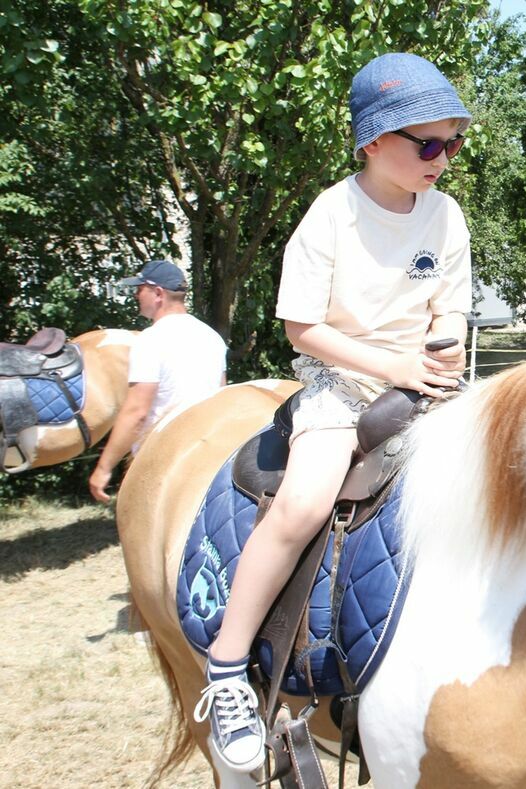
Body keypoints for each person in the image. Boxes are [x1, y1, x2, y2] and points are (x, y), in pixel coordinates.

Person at [192, 53, 473, 773]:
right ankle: (228, 667)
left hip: (424, 388)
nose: (443, 158)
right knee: (304, 501)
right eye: (428, 144)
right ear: (373, 142)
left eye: (454, 142)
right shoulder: (333, 213)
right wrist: (392, 367)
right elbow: (301, 327)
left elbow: (451, 309)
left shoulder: (446, 216)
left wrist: (442, 357)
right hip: (339, 387)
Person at [88, 259, 226, 502]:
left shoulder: (150, 340)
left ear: (158, 293)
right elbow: (221, 396)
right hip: (205, 457)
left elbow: (137, 412)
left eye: (140, 289)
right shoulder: (211, 337)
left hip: (161, 461)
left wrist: (103, 468)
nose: (136, 295)